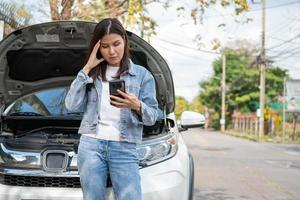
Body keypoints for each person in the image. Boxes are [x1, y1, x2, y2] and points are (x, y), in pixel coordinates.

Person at [65, 18, 158, 200]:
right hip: (91, 145)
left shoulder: (142, 75)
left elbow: (152, 117)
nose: (112, 51)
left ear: (124, 40)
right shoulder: (91, 74)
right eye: (105, 46)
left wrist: (136, 105)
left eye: (116, 44)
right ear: (97, 48)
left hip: (124, 146)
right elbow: (71, 106)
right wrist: (86, 68)